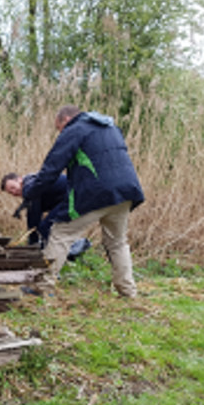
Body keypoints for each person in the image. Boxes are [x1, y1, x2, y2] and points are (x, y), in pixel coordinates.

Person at [21, 105, 145, 297]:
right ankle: (128, 291)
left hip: (96, 192)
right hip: (127, 192)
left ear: (66, 120)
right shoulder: (111, 128)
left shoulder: (74, 130)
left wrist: (30, 192)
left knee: (60, 233)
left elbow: (51, 169)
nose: (60, 133)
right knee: (118, 242)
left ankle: (43, 287)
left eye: (59, 128)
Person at [1, 171, 91, 260]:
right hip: (76, 195)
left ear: (19, 179)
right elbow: (35, 213)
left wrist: (32, 244)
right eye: (10, 192)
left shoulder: (30, 186)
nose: (14, 192)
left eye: (13, 187)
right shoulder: (33, 182)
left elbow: (34, 217)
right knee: (50, 227)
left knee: (46, 228)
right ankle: (71, 250)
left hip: (75, 196)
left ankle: (74, 248)